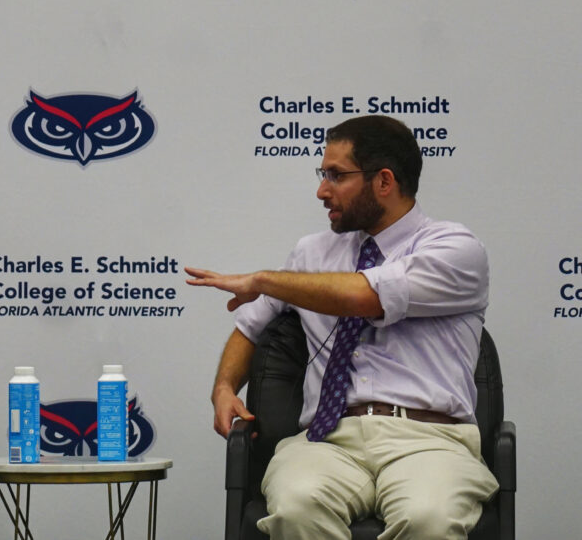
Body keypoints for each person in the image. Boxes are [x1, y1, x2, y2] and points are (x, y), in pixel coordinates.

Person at [186, 115, 497, 539]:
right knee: (295, 507)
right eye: (322, 174)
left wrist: (261, 279)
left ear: (383, 181)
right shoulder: (311, 253)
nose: (321, 190)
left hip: (429, 439)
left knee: (429, 518)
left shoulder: (455, 249)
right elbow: (250, 326)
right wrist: (223, 387)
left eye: (336, 175)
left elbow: (364, 295)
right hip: (327, 440)